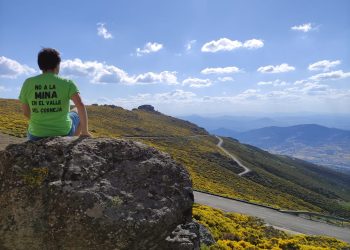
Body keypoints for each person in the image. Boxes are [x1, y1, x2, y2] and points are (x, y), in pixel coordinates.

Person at [19, 48, 91, 141]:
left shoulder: (28, 83)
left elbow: (25, 112)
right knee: (77, 110)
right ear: (57, 65)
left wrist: (40, 122)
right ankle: (73, 140)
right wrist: (85, 132)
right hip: (63, 132)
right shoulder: (67, 83)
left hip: (35, 134)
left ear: (40, 65)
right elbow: (80, 105)